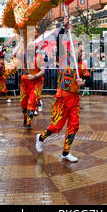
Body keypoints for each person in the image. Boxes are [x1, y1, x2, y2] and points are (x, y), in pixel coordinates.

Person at [35, 31, 88, 162]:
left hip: (74, 99)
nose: (82, 53)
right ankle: (40, 137)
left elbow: (88, 78)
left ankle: (65, 152)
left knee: (74, 125)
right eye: (80, 51)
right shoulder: (64, 59)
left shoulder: (82, 65)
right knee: (56, 126)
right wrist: (64, 28)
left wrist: (84, 82)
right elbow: (59, 41)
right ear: (75, 50)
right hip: (62, 98)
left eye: (83, 51)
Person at [19, 42, 45, 130]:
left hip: (34, 83)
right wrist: (20, 42)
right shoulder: (24, 56)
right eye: (29, 47)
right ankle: (25, 119)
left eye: (32, 47)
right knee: (23, 104)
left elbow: (42, 70)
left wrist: (34, 76)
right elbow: (14, 54)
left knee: (31, 103)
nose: (30, 49)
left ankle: (29, 123)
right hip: (24, 83)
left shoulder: (38, 58)